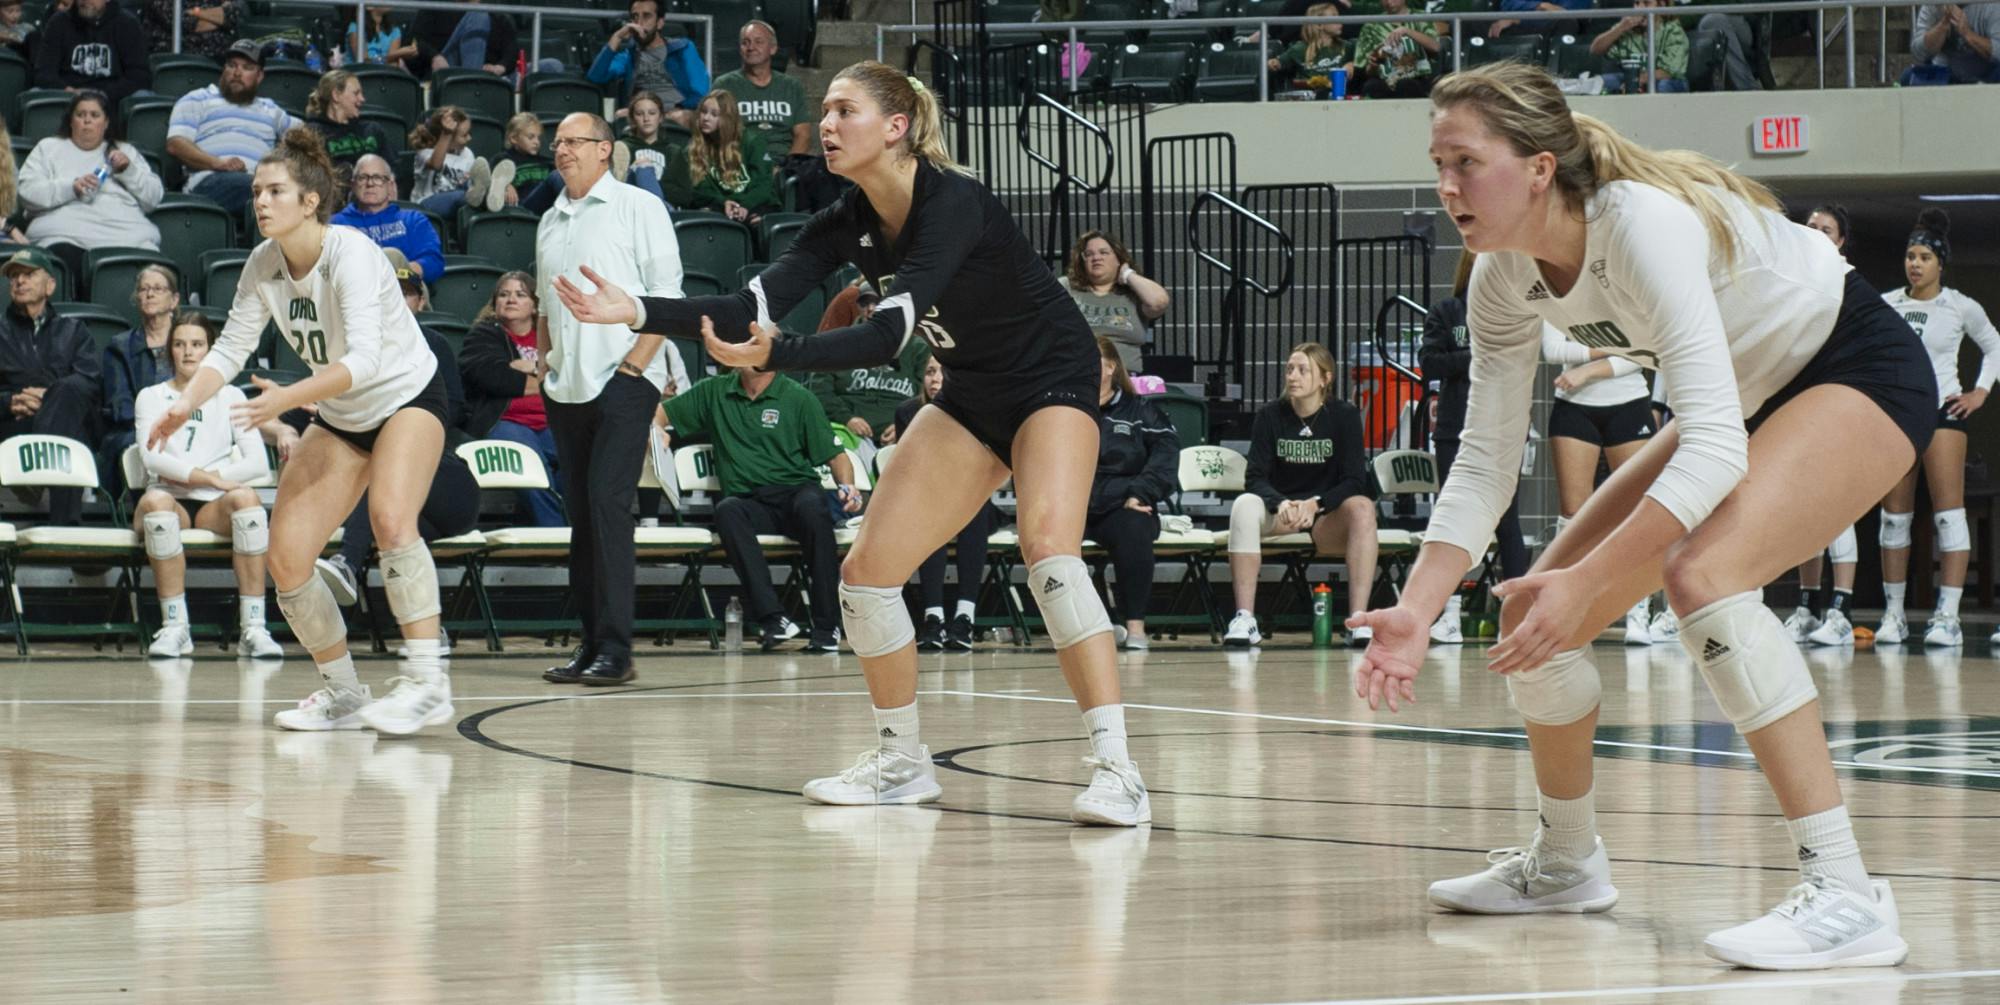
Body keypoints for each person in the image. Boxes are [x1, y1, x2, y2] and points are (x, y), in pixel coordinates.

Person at [1350, 62, 1930, 971]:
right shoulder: (1502, 280)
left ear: (1539, 168)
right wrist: (1417, 607)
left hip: (1854, 362)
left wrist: (1587, 577)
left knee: (1703, 576)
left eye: (1465, 161)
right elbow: (1485, 459)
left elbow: (1710, 451)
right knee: (1528, 609)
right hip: (1747, 397)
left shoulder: (1641, 224)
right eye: (1439, 163)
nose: (1446, 186)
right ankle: (1569, 857)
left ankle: (1848, 894)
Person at [553, 61, 1153, 826]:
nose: (826, 125)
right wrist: (637, 307)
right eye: (824, 112)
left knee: (1051, 556)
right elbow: (748, 304)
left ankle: (1118, 771)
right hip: (973, 389)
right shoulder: (846, 217)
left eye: (844, 111)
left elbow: (885, 336)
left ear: (896, 127)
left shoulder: (954, 202)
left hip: (1052, 379)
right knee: (867, 574)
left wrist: (778, 354)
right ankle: (903, 762)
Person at [152, 128, 453, 736]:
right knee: (286, 558)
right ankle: (344, 693)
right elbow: (233, 344)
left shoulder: (354, 254)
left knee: (393, 520)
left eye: (275, 191)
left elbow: (366, 361)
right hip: (343, 414)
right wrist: (186, 402)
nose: (260, 201)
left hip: (406, 397)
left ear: (310, 200)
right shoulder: (263, 263)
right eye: (257, 191)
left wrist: (289, 398)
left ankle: (427, 684)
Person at [532, 112, 685, 687]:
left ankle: (617, 650)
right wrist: (547, 364)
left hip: (623, 379)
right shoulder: (549, 218)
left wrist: (632, 369)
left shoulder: (638, 207)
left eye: (573, 141)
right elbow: (546, 306)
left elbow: (666, 297)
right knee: (582, 517)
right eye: (557, 142)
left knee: (607, 506)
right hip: (566, 385)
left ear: (605, 149)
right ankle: (591, 642)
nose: (561, 149)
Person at [315, 250, 479, 628]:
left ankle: (346, 562)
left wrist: (392, 421)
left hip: (443, 476)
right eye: (390, 292)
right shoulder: (350, 350)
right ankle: (425, 637)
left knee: (385, 482)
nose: (399, 300)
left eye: (407, 292)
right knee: (395, 536)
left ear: (420, 301)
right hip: (398, 503)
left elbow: (451, 408)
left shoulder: (433, 343)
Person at [660, 366, 861, 652]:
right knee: (728, 510)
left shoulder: (798, 397)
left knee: (814, 510)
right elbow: (661, 414)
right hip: (751, 502)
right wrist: (656, 430)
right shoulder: (714, 390)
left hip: (796, 493)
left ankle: (827, 627)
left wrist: (849, 486)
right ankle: (773, 618)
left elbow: (837, 457)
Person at [1871, 208, 1998, 649]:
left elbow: (1995, 345)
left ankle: (1947, 617)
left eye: (1925, 256)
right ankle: (1894, 615)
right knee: (1894, 519)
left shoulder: (1960, 305)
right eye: (1911, 256)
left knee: (1949, 515)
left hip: (1944, 412)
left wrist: (1980, 391)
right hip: (1899, 415)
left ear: (1940, 263)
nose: (1916, 263)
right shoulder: (1888, 304)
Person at [132, 312, 282, 660]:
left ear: (209, 350)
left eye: (197, 344)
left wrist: (214, 481)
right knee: (156, 503)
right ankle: (175, 627)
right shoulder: (151, 396)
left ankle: (254, 628)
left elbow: (258, 463)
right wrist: (208, 476)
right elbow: (153, 460)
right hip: (171, 499)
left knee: (247, 499)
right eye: (180, 344)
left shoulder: (230, 396)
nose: (188, 352)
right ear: (170, 350)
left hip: (214, 504)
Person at [1220, 343, 1378, 649]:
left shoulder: (1344, 415)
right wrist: (1280, 502)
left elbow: (1355, 480)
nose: (1293, 376)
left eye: (1303, 370)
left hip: (1324, 516)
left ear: (1325, 379)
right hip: (1283, 514)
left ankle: (1358, 619)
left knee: (1362, 507)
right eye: (1290, 369)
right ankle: (1244, 618)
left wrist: (1317, 503)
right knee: (1243, 505)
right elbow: (1255, 477)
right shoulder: (1270, 415)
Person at [1419, 253, 1528, 645]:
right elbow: (1429, 364)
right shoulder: (1448, 311)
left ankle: (1516, 616)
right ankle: (1448, 613)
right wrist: (1479, 356)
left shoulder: (1515, 307)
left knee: (1507, 523)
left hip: (1503, 429)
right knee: (1453, 521)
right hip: (1453, 430)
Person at [1540, 321, 1656, 643]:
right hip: (1574, 405)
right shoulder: (1556, 293)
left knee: (1637, 510)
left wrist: (1587, 370)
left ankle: (1638, 611)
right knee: (1573, 514)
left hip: (1630, 404)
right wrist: (1613, 352)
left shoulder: (1627, 288)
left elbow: (1645, 354)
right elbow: (1553, 350)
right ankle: (1568, 607)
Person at [1786, 204, 1860, 647]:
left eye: (1825, 228)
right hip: (1803, 403)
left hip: (1843, 402)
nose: (1814, 232)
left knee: (1838, 507)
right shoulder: (1794, 279)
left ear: (1840, 241)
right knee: (1805, 510)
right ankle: (1808, 607)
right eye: (1809, 226)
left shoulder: (1847, 279)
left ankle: (1843, 612)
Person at [894, 354, 993, 651]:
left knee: (976, 509)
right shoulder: (908, 411)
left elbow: (985, 462)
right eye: (929, 372)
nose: (935, 379)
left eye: (942, 372)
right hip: (926, 496)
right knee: (931, 514)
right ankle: (933, 618)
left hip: (971, 493)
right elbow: (907, 466)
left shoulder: (976, 408)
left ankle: (965, 615)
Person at [1087, 335, 1180, 651]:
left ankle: (1135, 626)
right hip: (1077, 504)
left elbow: (1166, 459)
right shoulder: (1066, 408)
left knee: (1134, 527)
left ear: (1111, 367)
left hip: (1124, 502)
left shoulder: (1141, 411)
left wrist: (1140, 493)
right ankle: (1096, 621)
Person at [1, 246, 102, 524]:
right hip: (13, 423)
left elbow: (90, 382)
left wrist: (50, 398)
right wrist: (8, 400)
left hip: (63, 419)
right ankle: (66, 527)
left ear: (50, 285)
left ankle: (35, 476)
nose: (19, 281)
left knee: (70, 395)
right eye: (14, 276)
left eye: (29, 274)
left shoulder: (74, 331)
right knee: (71, 431)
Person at [460, 270, 563, 526]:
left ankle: (568, 531)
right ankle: (556, 538)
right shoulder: (483, 335)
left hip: (552, 421)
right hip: (505, 421)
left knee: (581, 459)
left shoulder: (552, 335)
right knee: (531, 465)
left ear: (534, 304)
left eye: (520, 294)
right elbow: (492, 377)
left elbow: (571, 375)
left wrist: (522, 366)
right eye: (503, 295)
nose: (511, 300)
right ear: (495, 302)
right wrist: (544, 373)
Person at [18, 90, 162, 254]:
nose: (87, 120)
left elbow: (153, 199)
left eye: (94, 115)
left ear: (106, 122)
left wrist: (129, 171)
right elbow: (27, 192)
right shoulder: (48, 147)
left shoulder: (125, 151)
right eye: (80, 115)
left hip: (126, 236)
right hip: (64, 235)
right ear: (71, 121)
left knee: (151, 262)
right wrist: (71, 188)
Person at [167, 40, 301, 214]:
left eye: (247, 68)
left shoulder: (271, 110)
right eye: (232, 65)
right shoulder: (198, 99)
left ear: (259, 76)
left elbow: (308, 137)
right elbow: (176, 144)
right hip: (211, 181)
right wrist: (217, 163)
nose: (237, 73)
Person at [809, 288, 928, 450]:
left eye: (877, 302)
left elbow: (929, 392)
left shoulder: (917, 348)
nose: (870, 308)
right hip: (849, 436)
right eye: (865, 303)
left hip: (903, 436)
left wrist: (905, 423)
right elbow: (819, 389)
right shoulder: (839, 342)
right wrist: (847, 419)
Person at [100, 264, 179, 486]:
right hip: (136, 428)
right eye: (144, 289)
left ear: (174, 300)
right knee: (128, 444)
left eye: (157, 288)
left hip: (186, 424)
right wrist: (156, 426)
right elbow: (119, 404)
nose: (150, 294)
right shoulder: (120, 346)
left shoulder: (190, 341)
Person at [1057, 230, 1169, 374]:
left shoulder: (1133, 294)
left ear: (1118, 259)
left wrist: (1128, 275)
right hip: (1077, 375)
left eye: (1104, 252)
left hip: (1124, 377)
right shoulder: (1066, 287)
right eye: (1089, 254)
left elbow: (1159, 302)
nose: (1096, 257)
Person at [662, 91, 778, 226]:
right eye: (703, 112)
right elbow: (698, 189)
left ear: (727, 118)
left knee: (758, 222)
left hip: (755, 204)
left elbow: (763, 184)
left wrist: (744, 206)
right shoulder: (694, 149)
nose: (706, 118)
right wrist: (723, 203)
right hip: (719, 206)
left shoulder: (752, 141)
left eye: (714, 114)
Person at [587, 0, 709, 126]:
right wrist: (616, 38)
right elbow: (596, 76)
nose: (639, 23)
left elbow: (701, 92)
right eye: (635, 17)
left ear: (660, 23)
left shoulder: (683, 49)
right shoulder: (628, 56)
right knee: (620, 115)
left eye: (646, 16)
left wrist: (678, 109)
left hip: (675, 113)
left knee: (683, 117)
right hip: (642, 116)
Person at [712, 20, 813, 167]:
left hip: (783, 164)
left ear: (773, 48)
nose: (751, 47)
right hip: (740, 164)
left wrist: (785, 169)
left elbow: (803, 136)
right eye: (745, 42)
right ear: (740, 49)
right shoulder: (724, 85)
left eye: (758, 42)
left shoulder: (792, 86)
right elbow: (715, 133)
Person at [330, 153, 444, 282]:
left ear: (390, 186)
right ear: (353, 184)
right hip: (358, 290)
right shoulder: (335, 225)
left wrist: (398, 273)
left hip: (405, 289)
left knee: (392, 255)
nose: (370, 183)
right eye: (362, 177)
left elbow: (434, 262)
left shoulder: (413, 220)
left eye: (378, 178)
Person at [30, 0, 149, 105]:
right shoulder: (58, 22)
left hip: (113, 101)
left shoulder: (127, 24)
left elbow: (139, 76)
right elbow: (43, 73)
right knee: (34, 95)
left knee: (143, 97)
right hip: (67, 100)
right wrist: (67, 91)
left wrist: (103, 95)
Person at [304, 70, 396, 185]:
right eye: (356, 93)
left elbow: (392, 171)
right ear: (336, 95)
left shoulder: (372, 130)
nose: (362, 99)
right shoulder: (313, 133)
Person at [407, 106, 499, 219]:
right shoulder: (424, 153)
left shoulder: (467, 153)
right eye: (464, 135)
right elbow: (436, 165)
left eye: (469, 133)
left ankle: (492, 194)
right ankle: (486, 199)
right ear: (447, 138)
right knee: (461, 196)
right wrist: (446, 134)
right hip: (426, 204)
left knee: (467, 191)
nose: (469, 138)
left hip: (461, 201)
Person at [1589, 0, 1691, 94]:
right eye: (1637, 3)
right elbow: (1595, 50)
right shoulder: (1627, 27)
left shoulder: (1674, 31)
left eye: (1646, 3)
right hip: (1633, 78)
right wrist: (1620, 28)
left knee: (1664, 85)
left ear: (1662, 5)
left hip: (1669, 81)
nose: (1639, 9)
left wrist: (1637, 80)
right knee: (1601, 82)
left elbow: (1669, 72)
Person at [1347, 0, 1438, 99]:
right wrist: (1373, 66)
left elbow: (1435, 47)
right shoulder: (1371, 26)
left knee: (1406, 85)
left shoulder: (1421, 17)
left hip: (1417, 77)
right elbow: (1365, 71)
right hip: (1383, 79)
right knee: (1372, 87)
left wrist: (1406, 31)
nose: (1389, 2)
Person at [1909, 2, 2000, 84]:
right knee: (1907, 77)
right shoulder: (1933, 5)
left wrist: (1967, 33)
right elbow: (1918, 53)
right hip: (1944, 73)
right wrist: (1942, 26)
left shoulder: (1991, 5)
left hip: (1985, 73)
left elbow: (1998, 51)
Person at [1266, 3, 1348, 81]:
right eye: (1334, 16)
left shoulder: (1346, 46)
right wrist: (1273, 63)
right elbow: (1278, 62)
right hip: (1309, 93)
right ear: (1319, 25)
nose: (1339, 19)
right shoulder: (1299, 49)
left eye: (1338, 15)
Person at [142, 0, 244, 61]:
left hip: (221, 58)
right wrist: (220, 20)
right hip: (178, 57)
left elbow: (235, 15)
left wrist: (195, 13)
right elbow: (179, 21)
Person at [347, 4, 422, 70]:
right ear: (369, 6)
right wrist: (397, 54)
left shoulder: (395, 31)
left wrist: (392, 56)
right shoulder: (356, 28)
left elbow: (393, 65)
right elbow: (364, 63)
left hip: (385, 78)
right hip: (360, 77)